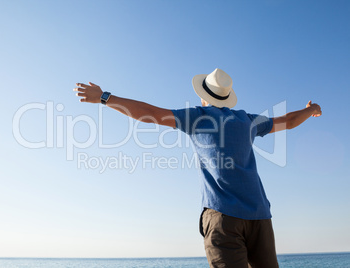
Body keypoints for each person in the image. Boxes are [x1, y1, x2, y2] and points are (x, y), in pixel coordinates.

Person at [73, 68, 322, 268]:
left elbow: (150, 113)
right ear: (226, 97)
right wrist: (311, 109)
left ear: (204, 96)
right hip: (260, 218)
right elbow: (288, 121)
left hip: (223, 218)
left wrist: (105, 97)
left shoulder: (198, 116)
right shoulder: (247, 120)